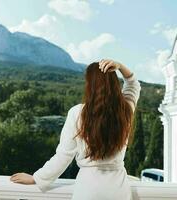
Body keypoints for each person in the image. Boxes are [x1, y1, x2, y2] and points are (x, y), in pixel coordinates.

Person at [10, 59, 141, 200]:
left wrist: (37, 178)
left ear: (90, 85)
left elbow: (64, 155)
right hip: (118, 190)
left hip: (88, 189)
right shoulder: (125, 110)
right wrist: (119, 66)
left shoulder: (77, 113)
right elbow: (133, 83)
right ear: (115, 84)